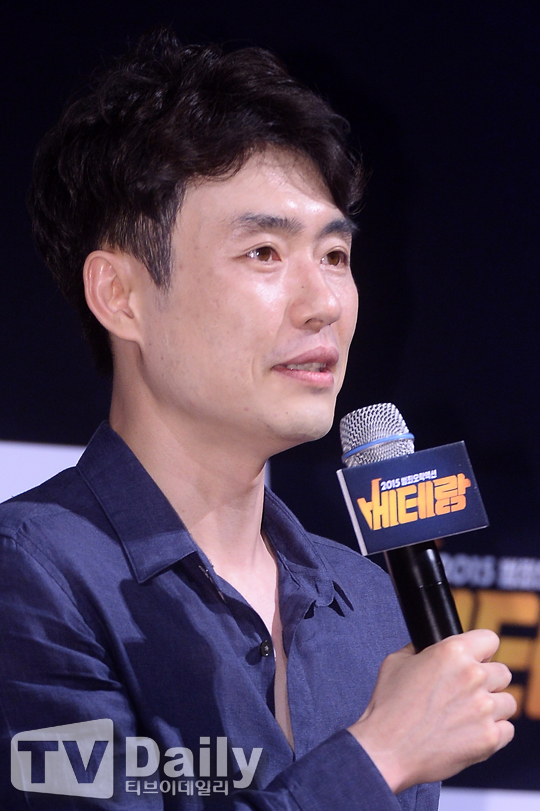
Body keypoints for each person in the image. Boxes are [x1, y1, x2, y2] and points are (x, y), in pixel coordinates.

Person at [0, 29, 515, 810]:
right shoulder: (34, 576)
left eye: (335, 256)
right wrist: (379, 755)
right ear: (121, 296)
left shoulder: (367, 602)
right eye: (265, 253)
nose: (324, 303)